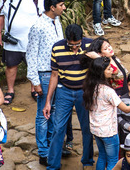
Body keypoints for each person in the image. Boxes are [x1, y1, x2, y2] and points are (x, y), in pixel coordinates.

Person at [43, 24, 94, 170]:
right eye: (71, 45)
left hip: (84, 91)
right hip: (64, 91)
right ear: (66, 40)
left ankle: (87, 162)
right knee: (58, 128)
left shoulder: (90, 45)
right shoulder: (57, 48)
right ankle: (53, 165)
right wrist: (48, 102)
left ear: (82, 39)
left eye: (77, 45)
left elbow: (104, 61)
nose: (74, 48)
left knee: (87, 128)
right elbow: (54, 75)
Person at [26, 0, 69, 166]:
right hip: (44, 74)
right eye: (61, 5)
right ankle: (43, 152)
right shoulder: (38, 26)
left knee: (55, 112)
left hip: (58, 73)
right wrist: (35, 81)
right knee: (43, 115)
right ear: (52, 7)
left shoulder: (57, 21)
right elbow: (31, 55)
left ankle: (53, 146)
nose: (64, 8)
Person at [0, 0, 44, 105]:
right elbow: (0, 15)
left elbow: (42, 16)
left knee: (33, 65)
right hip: (12, 40)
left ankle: (34, 89)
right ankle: (10, 90)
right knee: (11, 66)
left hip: (32, 41)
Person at [83, 57, 130, 170]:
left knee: (102, 157)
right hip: (109, 131)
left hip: (96, 129)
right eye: (109, 68)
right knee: (113, 161)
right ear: (101, 72)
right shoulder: (108, 91)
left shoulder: (90, 86)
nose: (112, 70)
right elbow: (126, 109)